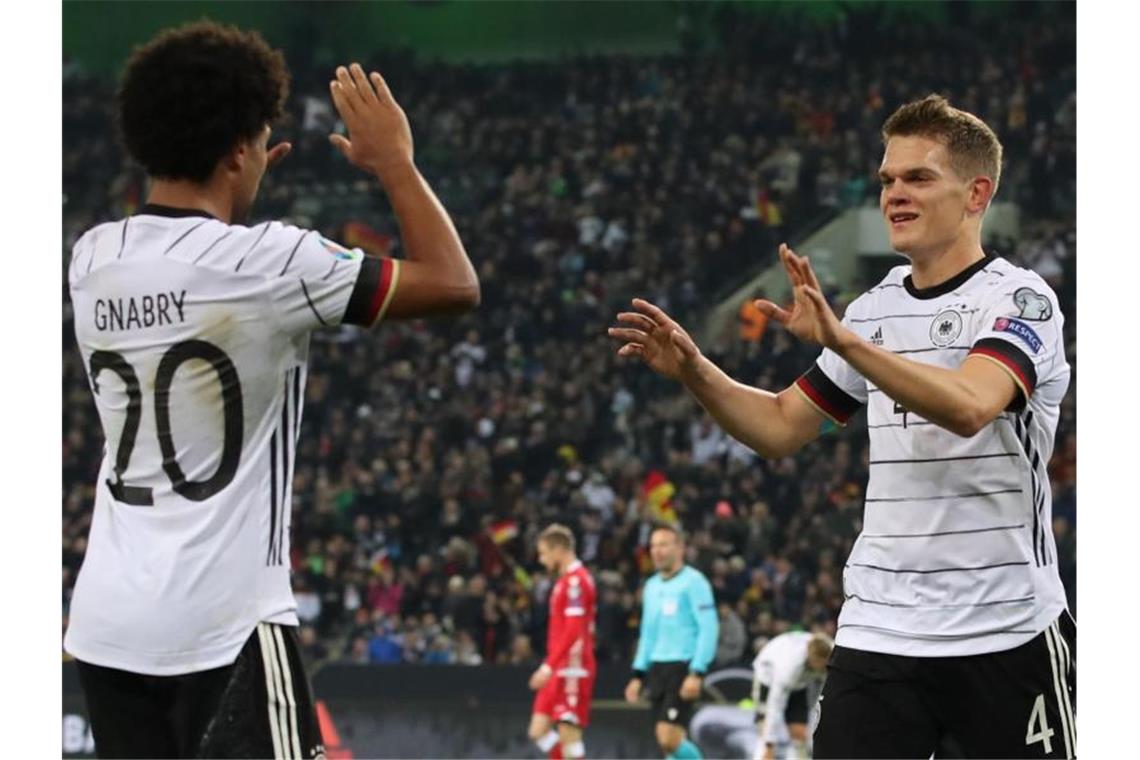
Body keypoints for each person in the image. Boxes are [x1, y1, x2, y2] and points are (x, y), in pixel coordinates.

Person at [609, 94, 1075, 759]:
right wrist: (694, 369)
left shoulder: (1020, 300)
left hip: (1005, 631)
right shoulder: (873, 310)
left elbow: (973, 405)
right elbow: (779, 427)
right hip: (878, 631)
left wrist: (846, 342)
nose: (894, 193)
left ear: (977, 194)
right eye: (887, 179)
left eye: (918, 178)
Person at [64, 21, 479, 759]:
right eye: (258, 140)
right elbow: (453, 284)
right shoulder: (276, 262)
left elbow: (198, 264)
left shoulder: (92, 258)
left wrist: (238, 186)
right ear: (238, 152)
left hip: (108, 629)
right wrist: (395, 165)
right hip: (224, 628)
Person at [624, 524, 719, 759]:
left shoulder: (694, 582)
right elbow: (648, 632)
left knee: (668, 736)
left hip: (683, 666)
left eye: (664, 544)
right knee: (666, 742)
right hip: (657, 666)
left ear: (680, 548)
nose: (657, 551)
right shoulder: (651, 586)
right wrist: (638, 674)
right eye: (653, 546)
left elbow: (709, 628)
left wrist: (697, 671)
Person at [527, 524, 597, 760]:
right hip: (558, 666)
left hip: (572, 666)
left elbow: (574, 629)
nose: (541, 559)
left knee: (569, 734)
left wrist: (548, 665)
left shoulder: (577, 583)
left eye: (544, 553)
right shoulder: (565, 581)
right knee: (538, 731)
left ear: (559, 550)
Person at [751, 631, 832, 760]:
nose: (824, 668)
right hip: (768, 677)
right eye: (821, 663)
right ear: (812, 658)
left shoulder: (830, 655)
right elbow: (775, 705)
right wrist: (770, 744)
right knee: (765, 729)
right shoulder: (790, 666)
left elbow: (818, 698)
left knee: (799, 733)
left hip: (800, 683)